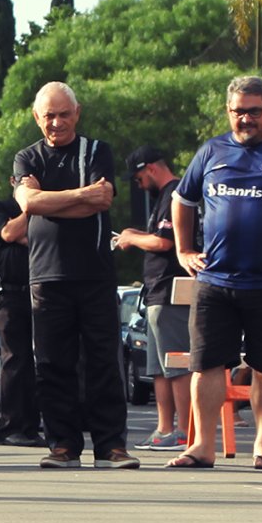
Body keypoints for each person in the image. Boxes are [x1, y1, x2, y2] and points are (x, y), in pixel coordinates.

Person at [168, 76, 262, 470]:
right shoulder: (211, 151)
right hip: (215, 281)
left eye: (254, 111)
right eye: (239, 111)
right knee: (206, 365)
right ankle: (203, 446)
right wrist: (184, 250)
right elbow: (182, 200)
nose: (246, 118)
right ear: (228, 111)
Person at [13, 82, 138, 469]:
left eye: (64, 114)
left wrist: (49, 200)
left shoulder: (96, 151)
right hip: (46, 276)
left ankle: (111, 446)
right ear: (37, 117)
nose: (57, 122)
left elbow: (101, 200)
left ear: (77, 113)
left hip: (94, 274)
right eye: (49, 115)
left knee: (103, 360)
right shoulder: (27, 157)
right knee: (52, 364)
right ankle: (63, 445)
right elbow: (28, 202)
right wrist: (80, 195)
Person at [116, 145, 192, 452]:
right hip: (156, 292)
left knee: (176, 364)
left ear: (150, 168)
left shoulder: (176, 193)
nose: (138, 184)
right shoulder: (162, 196)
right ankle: (164, 429)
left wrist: (131, 238)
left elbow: (164, 242)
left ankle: (185, 431)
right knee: (158, 367)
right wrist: (133, 233)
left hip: (171, 291)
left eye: (138, 178)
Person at [0, 186, 42, 446]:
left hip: (38, 292)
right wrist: (32, 208)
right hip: (9, 293)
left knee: (38, 362)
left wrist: (25, 235)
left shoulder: (48, 210)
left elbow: (42, 240)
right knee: (15, 359)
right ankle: (9, 427)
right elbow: (8, 233)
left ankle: (30, 427)